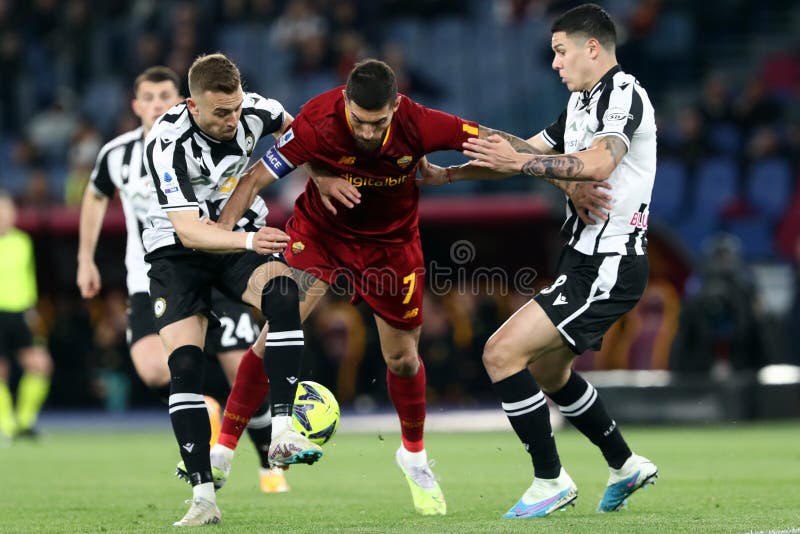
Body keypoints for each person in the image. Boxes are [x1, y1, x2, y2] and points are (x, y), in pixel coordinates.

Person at [209, 58, 609, 516]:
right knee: (276, 328)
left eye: (377, 122)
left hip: (391, 249)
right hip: (322, 234)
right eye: (358, 120)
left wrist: (564, 181)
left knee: (401, 359)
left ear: (396, 106)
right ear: (344, 102)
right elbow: (258, 175)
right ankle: (223, 449)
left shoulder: (419, 123)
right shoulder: (317, 119)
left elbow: (500, 144)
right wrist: (222, 238)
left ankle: (414, 457)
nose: (365, 132)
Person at [439, 3, 659, 518]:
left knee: (500, 353)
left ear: (592, 48)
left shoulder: (624, 94)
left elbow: (602, 161)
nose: (555, 63)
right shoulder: (580, 104)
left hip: (611, 260)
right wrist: (449, 175)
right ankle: (625, 465)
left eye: (560, 52)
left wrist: (523, 162)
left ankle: (549, 479)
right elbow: (524, 151)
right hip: (582, 257)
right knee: (552, 373)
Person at [76, 66, 289, 495]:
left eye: (164, 96)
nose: (157, 104)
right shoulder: (121, 154)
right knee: (161, 369)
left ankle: (270, 456)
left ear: (181, 99)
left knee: (239, 362)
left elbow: (297, 134)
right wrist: (86, 258)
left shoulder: (239, 119)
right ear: (136, 105)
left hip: (227, 252)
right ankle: (207, 425)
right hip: (163, 265)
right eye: (148, 97)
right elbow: (96, 195)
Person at [141, 54, 320, 526]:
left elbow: (310, 135)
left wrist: (327, 175)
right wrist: (249, 238)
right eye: (220, 113)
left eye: (236, 108)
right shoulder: (166, 142)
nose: (232, 120)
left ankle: (282, 429)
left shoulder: (258, 110)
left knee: (284, 294)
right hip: (178, 253)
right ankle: (203, 498)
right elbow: (188, 232)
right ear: (192, 106)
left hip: (238, 238)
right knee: (184, 364)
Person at [0, 191, 53, 441]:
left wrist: (32, 311)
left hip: (21, 312)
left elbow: (28, 278)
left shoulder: (23, 241)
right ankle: (5, 426)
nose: (4, 216)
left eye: (8, 211)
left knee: (41, 365)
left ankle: (24, 422)